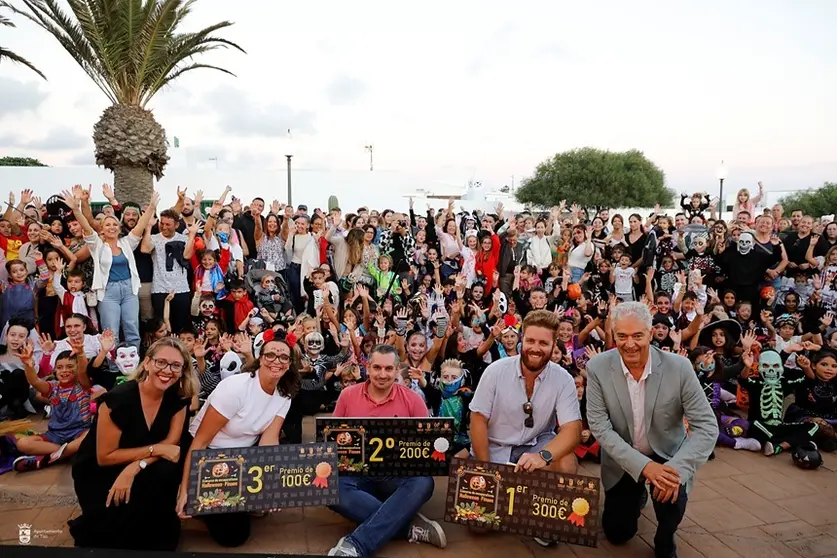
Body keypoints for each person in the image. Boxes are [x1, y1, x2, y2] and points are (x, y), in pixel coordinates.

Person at [585, 302, 717, 558]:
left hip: (668, 457)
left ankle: (665, 536)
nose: (629, 343)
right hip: (623, 458)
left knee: (671, 503)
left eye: (637, 335)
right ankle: (637, 496)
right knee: (618, 534)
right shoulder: (598, 367)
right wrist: (645, 469)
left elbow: (706, 426)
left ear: (650, 333)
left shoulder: (679, 368)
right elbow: (600, 427)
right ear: (613, 334)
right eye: (621, 336)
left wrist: (675, 471)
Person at [68, 338, 197, 550]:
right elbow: (105, 456)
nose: (167, 370)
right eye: (161, 362)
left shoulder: (178, 399)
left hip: (140, 465)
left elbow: (171, 446)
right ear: (147, 363)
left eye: (176, 365)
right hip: (101, 471)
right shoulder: (117, 400)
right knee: (111, 538)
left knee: (168, 468)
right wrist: (154, 451)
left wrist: (135, 467)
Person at [469, 309, 582, 548]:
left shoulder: (563, 379)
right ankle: (517, 497)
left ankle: (543, 518)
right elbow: (477, 419)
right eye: (530, 340)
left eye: (544, 342)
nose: (535, 347)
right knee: (478, 525)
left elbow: (572, 430)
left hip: (535, 445)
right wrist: (484, 466)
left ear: (554, 345)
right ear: (522, 340)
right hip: (495, 447)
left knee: (566, 461)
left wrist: (544, 456)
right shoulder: (495, 371)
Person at [177, 337, 298, 547]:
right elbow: (200, 442)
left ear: (289, 364)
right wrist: (186, 489)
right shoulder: (236, 388)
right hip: (210, 454)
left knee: (238, 531)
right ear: (260, 359)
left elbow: (269, 440)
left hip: (244, 455)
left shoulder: (284, 395)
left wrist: (271, 487)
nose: (276, 361)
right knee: (232, 536)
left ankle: (240, 498)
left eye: (283, 357)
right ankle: (201, 504)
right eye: (270, 355)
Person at [326, 344, 446, 557]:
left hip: (396, 476)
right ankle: (407, 524)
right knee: (329, 488)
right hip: (357, 473)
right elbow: (334, 440)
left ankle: (356, 545)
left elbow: (427, 445)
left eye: (389, 369)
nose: (382, 375)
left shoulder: (413, 399)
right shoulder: (347, 396)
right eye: (377, 368)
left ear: (397, 370)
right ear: (368, 368)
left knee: (423, 482)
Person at [61, 186, 158, 349]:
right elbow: (86, 227)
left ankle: (132, 364)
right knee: (110, 331)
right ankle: (113, 367)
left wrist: (151, 207)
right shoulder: (97, 245)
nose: (111, 227)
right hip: (108, 292)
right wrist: (75, 209)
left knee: (132, 329)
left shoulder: (127, 243)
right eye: (107, 225)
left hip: (129, 289)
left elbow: (140, 226)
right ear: (102, 230)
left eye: (114, 224)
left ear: (119, 228)